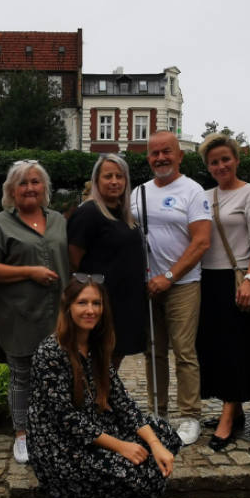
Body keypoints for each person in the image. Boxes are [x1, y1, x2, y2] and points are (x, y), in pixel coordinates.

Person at [27, 274, 182, 498]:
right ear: (68, 308)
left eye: (96, 303)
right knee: (128, 472)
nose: (91, 310)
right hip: (58, 441)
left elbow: (121, 401)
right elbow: (66, 419)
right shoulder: (51, 351)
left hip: (94, 425)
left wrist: (154, 444)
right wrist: (121, 446)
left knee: (165, 437)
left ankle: (105, 496)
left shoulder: (97, 346)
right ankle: (61, 491)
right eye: (82, 303)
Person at [0, 160, 69, 465]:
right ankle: (22, 435)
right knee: (22, 377)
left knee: (58, 376)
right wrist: (30, 271)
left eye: (35, 182)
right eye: (22, 183)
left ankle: (53, 430)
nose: (30, 188)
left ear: (44, 188)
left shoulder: (58, 220)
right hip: (18, 314)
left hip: (57, 313)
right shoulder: (0, 224)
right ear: (11, 191)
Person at [131, 131, 211, 445]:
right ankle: (157, 413)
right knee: (154, 353)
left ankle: (190, 416)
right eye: (154, 153)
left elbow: (202, 241)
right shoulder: (137, 192)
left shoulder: (192, 191)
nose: (161, 158)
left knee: (184, 352)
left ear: (179, 155)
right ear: (148, 158)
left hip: (182, 284)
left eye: (167, 152)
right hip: (147, 285)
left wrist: (170, 276)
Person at [195, 134, 250, 449]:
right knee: (210, 346)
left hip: (237, 278)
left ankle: (228, 418)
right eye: (214, 161)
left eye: (226, 159)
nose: (221, 165)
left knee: (234, 348)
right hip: (206, 279)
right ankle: (235, 411)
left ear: (237, 160)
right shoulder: (205, 195)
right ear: (208, 166)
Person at [68, 154, 146, 368]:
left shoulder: (124, 215)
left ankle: (105, 401)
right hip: (101, 303)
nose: (114, 181)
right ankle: (94, 402)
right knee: (97, 362)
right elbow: (73, 261)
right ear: (96, 181)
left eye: (119, 176)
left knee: (113, 361)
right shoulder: (88, 214)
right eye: (108, 176)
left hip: (124, 303)